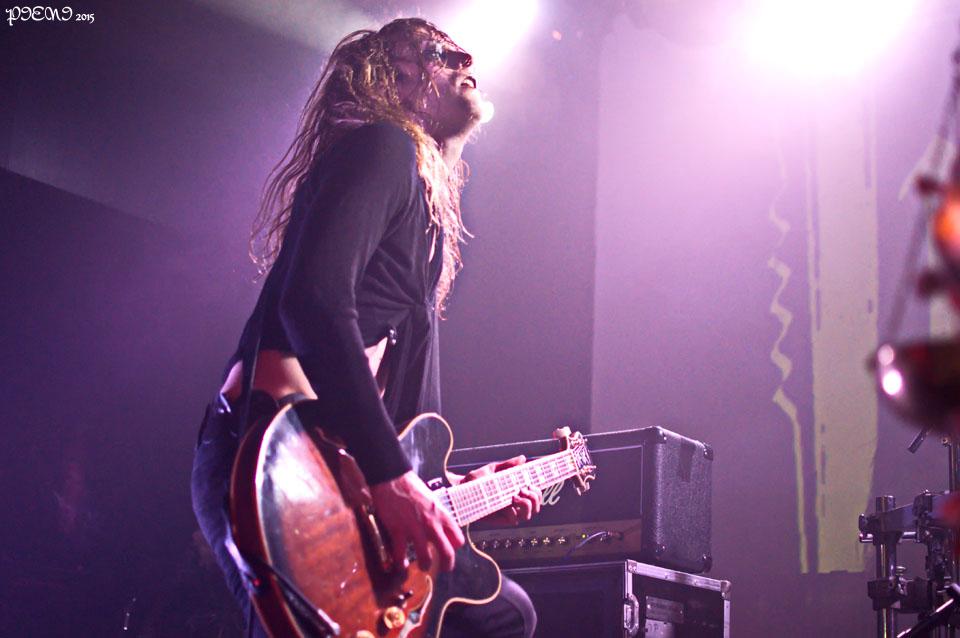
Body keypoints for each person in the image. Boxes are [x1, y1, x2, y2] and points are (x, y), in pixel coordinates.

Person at [191, 17, 541, 638]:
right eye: (442, 52)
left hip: (336, 467)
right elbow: (313, 303)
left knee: (505, 616)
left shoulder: (426, 213)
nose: (466, 61)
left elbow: (386, 412)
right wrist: (394, 476)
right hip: (278, 462)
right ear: (399, 76)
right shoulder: (384, 147)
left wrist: (444, 486)